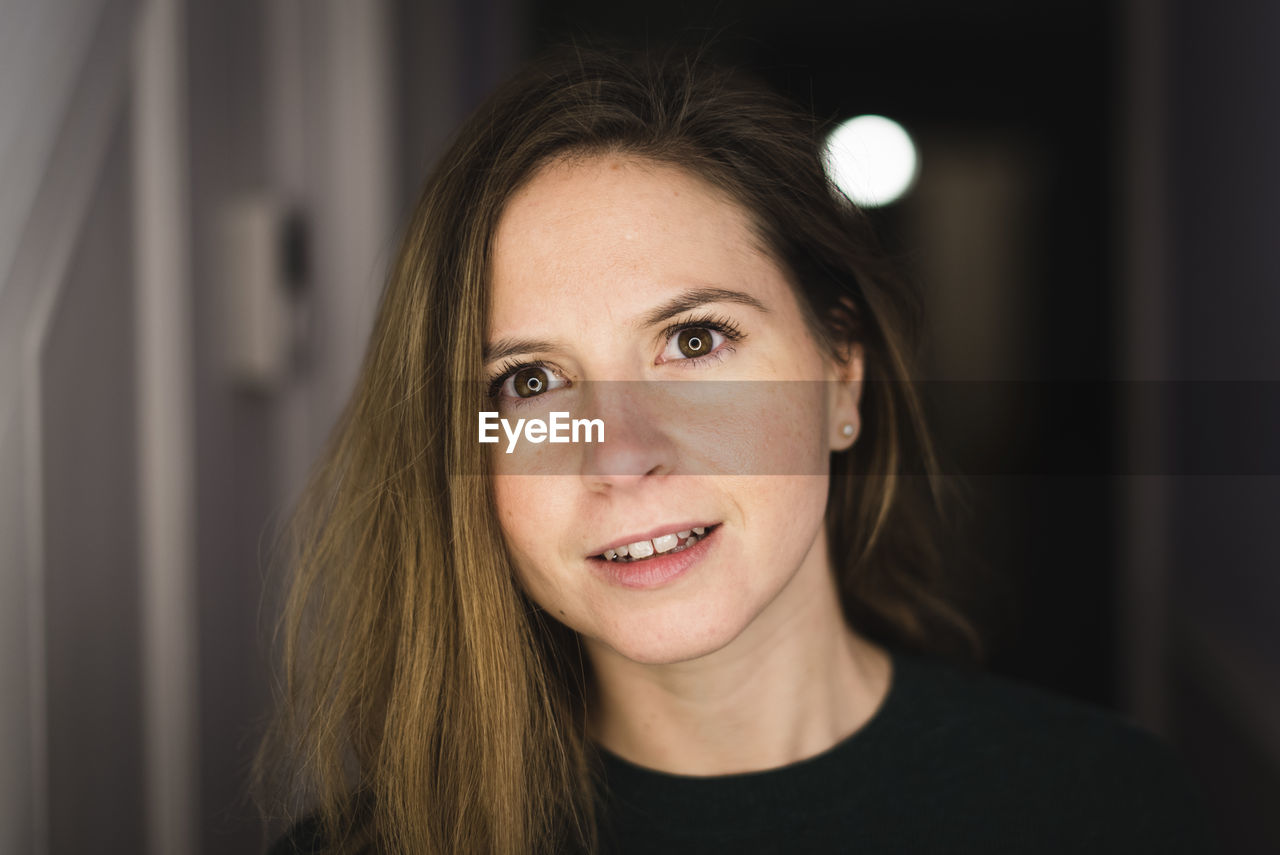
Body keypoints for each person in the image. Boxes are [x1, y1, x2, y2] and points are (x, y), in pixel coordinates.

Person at [259, 46, 1215, 855]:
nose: (622, 457)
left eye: (695, 340)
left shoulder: (1111, 808)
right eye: (531, 382)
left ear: (841, 373)